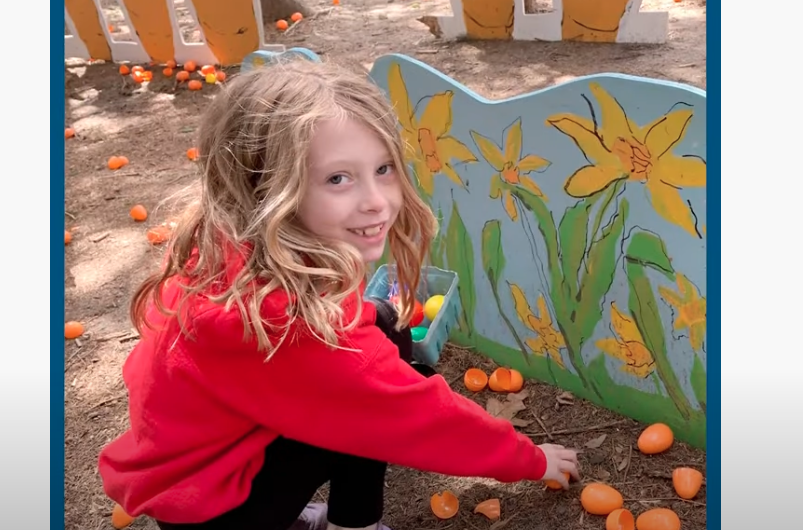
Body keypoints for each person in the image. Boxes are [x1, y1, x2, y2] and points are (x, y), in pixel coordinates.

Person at [97, 58, 580, 530]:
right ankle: (349, 523)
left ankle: (292, 507)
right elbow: (420, 416)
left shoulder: (224, 242)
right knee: (375, 394)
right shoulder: (295, 325)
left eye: (384, 168)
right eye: (338, 178)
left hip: (202, 471)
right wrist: (531, 460)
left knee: (386, 328)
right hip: (214, 508)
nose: (377, 200)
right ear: (267, 188)